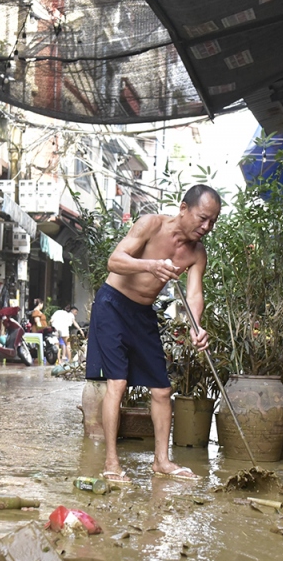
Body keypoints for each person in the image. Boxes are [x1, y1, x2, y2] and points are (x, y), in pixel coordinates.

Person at [84, 184, 221, 484]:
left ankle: (162, 461)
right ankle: (111, 462)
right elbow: (114, 261)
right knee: (117, 384)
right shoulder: (151, 224)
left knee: (161, 390)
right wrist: (152, 265)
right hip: (112, 305)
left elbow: (195, 293)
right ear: (184, 208)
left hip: (143, 314)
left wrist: (197, 326)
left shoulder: (197, 254)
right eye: (202, 218)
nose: (206, 226)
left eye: (212, 221)